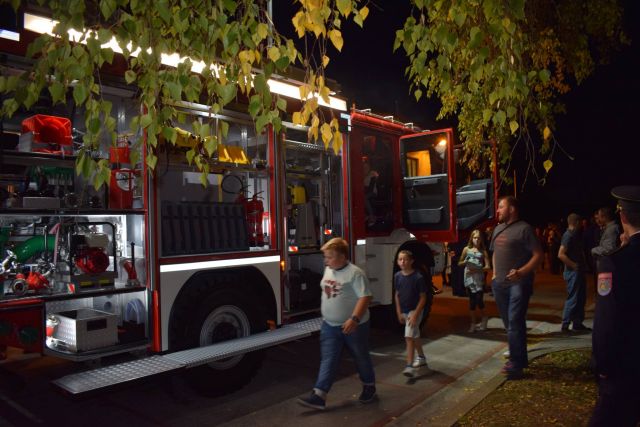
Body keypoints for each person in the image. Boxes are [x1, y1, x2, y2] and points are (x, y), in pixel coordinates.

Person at [298, 237, 376, 410]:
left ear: (342, 256)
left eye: (329, 257)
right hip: (330, 325)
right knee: (329, 359)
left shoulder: (355, 273)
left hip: (354, 326)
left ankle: (369, 386)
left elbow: (365, 297)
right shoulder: (329, 269)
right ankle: (319, 395)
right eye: (325, 257)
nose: (326, 261)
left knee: (360, 356)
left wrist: (354, 319)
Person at [589, 186, 640, 426]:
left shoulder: (615, 262)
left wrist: (602, 365)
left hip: (625, 365)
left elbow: (606, 322)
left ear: (623, 216)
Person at [490, 196, 543, 380]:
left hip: (519, 284)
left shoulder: (525, 229)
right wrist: (495, 275)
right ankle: (520, 359)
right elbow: (495, 252)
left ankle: (515, 364)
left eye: (501, 207)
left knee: (514, 322)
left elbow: (538, 255)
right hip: (500, 285)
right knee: (511, 325)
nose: (498, 210)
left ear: (512, 209)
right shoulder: (497, 229)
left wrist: (521, 272)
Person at [394, 250, 429, 377]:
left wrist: (415, 314)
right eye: (400, 259)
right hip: (404, 310)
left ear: (411, 261)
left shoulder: (417, 277)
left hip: (415, 311)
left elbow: (423, 297)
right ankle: (421, 357)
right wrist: (398, 312)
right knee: (414, 335)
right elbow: (397, 295)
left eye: (405, 259)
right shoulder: (397, 276)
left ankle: (409, 366)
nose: (402, 262)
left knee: (408, 337)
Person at [557, 213, 590, 332]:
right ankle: (565, 325)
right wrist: (573, 265)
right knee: (573, 298)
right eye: (580, 223)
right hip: (573, 272)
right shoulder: (568, 236)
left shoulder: (574, 235)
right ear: (576, 223)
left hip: (578, 271)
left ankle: (577, 323)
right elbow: (560, 254)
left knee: (580, 297)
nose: (582, 225)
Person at [459, 229, 490, 333]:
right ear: (471, 238)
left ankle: (484, 318)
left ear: (481, 239)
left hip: (478, 277)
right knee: (472, 302)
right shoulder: (466, 249)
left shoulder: (483, 251)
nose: (476, 240)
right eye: (475, 237)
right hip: (468, 277)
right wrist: (466, 262)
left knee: (479, 300)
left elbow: (488, 267)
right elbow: (459, 263)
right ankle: (473, 324)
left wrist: (477, 268)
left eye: (478, 238)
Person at [363, 160, 379, 227]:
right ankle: (365, 215)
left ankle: (371, 216)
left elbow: (376, 177)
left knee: (364, 198)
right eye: (364, 167)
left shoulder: (373, 173)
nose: (365, 168)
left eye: (366, 167)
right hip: (365, 191)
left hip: (372, 192)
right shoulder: (363, 175)